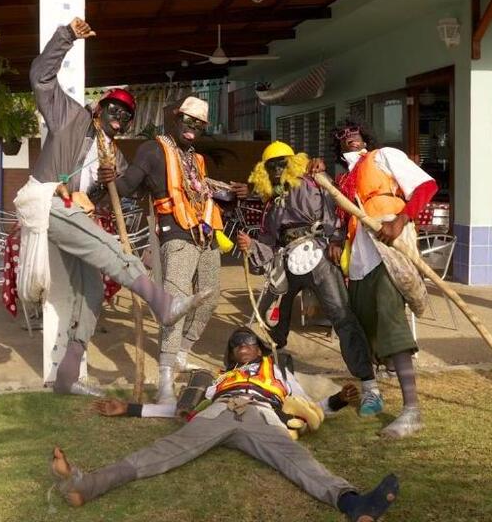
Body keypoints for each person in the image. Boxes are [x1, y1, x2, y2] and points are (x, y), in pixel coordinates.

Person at [28, 17, 212, 397]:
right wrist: (66, 38)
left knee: (91, 291)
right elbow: (41, 79)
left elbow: (128, 189)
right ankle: (163, 304)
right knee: (113, 249)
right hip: (48, 204)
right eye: (114, 108)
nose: (119, 117)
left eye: (127, 115)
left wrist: (112, 181)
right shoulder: (72, 118)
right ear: (100, 107)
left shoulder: (116, 155)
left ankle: (67, 377)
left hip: (73, 218)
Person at [49, 327, 400, 522]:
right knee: (163, 452)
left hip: (262, 415)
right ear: (231, 355)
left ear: (260, 348)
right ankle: (85, 484)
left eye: (247, 341)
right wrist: (130, 408)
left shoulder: (278, 373)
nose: (241, 346)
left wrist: (337, 401)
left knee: (297, 461)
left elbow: (309, 408)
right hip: (218, 411)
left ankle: (353, 504)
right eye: (235, 345)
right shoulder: (219, 378)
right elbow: (182, 408)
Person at [236, 141, 385, 417]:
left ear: (294, 163)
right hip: (286, 263)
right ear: (264, 171)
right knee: (269, 322)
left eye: (283, 163)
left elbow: (335, 212)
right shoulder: (272, 205)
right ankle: (262, 380)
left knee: (342, 317)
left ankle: (370, 387)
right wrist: (252, 245)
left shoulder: (314, 184)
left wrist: (336, 240)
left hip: (318, 257)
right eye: (272, 166)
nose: (279, 170)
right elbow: (268, 244)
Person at [96, 96, 223, 403]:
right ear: (175, 119)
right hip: (176, 235)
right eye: (188, 122)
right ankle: (165, 376)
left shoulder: (196, 158)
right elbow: (127, 187)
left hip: (206, 234)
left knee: (209, 296)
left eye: (199, 125)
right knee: (175, 305)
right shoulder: (153, 150)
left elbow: (199, 191)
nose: (192, 129)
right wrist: (108, 181)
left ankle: (182, 353)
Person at [332, 118, 438, 439]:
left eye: (354, 132)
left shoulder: (384, 156)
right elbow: (343, 218)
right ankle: (372, 393)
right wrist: (337, 239)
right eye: (342, 136)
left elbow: (426, 186)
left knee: (391, 316)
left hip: (390, 249)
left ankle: (411, 410)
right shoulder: (344, 180)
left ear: (364, 136)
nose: (349, 137)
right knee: (362, 325)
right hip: (361, 259)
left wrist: (401, 220)